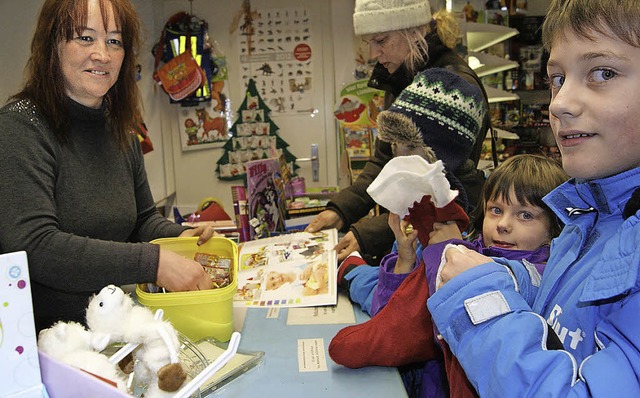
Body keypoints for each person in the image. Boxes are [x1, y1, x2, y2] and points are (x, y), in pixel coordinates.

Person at [428, 0, 640, 396]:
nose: (559, 104)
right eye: (557, 78)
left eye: (603, 72)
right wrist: (512, 278)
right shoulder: (586, 218)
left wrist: (482, 300)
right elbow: (561, 317)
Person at [0, 0, 214, 333]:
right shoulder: (20, 128)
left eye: (114, 41)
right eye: (85, 38)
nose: (102, 54)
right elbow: (35, 246)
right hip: (53, 345)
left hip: (118, 327)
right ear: (52, 46)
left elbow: (142, 220)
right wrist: (154, 263)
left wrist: (180, 237)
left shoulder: (122, 130)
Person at [329, 155, 568, 396]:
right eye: (496, 210)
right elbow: (390, 321)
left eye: (525, 215)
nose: (503, 224)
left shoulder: (539, 278)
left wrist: (446, 251)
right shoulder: (471, 249)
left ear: (554, 228)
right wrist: (405, 260)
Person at [306, 1, 491, 266]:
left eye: (380, 40)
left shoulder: (452, 89)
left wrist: (368, 234)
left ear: (413, 30)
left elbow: (443, 192)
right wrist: (341, 210)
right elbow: (384, 161)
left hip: (437, 248)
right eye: (369, 41)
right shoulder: (401, 74)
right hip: (406, 241)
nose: (373, 53)